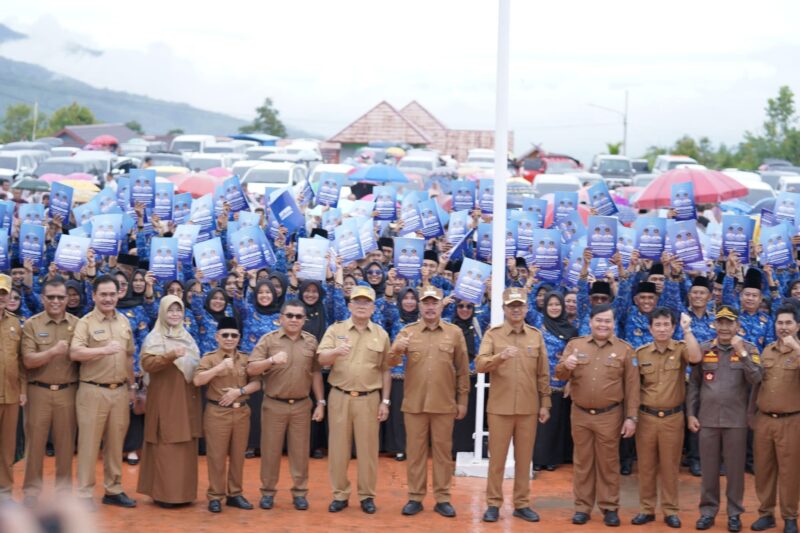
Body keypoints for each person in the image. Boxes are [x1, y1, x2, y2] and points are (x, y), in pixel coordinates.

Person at [555, 303, 639, 527]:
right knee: (582, 462)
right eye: (599, 320)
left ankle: (609, 507)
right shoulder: (575, 345)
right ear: (590, 322)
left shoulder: (624, 349)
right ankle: (582, 507)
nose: (603, 325)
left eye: (607, 321)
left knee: (608, 463)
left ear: (613, 324)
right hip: (580, 414)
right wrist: (567, 364)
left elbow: (632, 387)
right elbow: (560, 374)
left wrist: (631, 417)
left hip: (609, 415)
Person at [390, 286, 469, 518]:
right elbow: (389, 363)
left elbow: (463, 370)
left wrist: (462, 400)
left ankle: (443, 498)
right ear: (420, 306)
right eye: (426, 302)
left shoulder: (454, 333)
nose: (430, 306)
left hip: (444, 404)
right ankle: (415, 497)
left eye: (434, 302)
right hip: (414, 404)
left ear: (441, 305)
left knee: (444, 453)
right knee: (415, 453)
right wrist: (396, 350)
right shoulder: (407, 332)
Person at [476, 288, 551, 523]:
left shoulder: (535, 336)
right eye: (511, 306)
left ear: (527, 308)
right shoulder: (493, 335)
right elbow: (479, 364)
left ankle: (521, 503)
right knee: (496, 460)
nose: (516, 309)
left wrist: (545, 403)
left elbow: (543, 373)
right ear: (504, 309)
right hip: (500, 408)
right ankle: (493, 504)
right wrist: (500, 358)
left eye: (520, 305)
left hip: (528, 407)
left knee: (524, 458)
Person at [687, 305, 762, 532]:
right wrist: (691, 413)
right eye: (721, 322)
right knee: (709, 470)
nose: (725, 327)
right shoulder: (704, 349)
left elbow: (757, 378)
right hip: (707, 419)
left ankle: (734, 513)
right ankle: (708, 512)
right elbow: (694, 385)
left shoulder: (748, 348)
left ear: (737, 326)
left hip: (736, 421)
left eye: (730, 323)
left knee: (735, 471)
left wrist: (743, 352)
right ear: (714, 325)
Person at [317, 285, 391, 515]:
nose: (361, 306)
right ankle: (340, 494)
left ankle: (367, 496)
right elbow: (321, 359)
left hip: (369, 399)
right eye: (357, 302)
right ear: (349, 305)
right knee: (338, 449)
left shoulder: (381, 334)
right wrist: (336, 351)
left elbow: (385, 370)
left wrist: (385, 401)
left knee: (368, 451)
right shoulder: (335, 329)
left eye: (366, 302)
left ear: (373, 307)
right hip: (340, 396)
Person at [247, 299, 324, 511]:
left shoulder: (311, 342)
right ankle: (268, 492)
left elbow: (316, 372)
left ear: (304, 320)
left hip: (301, 405)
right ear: (281, 318)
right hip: (274, 404)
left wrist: (320, 402)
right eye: (289, 315)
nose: (294, 319)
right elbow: (251, 369)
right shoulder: (269, 340)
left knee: (300, 452)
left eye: (299, 316)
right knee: (270, 451)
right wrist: (270, 361)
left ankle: (300, 492)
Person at [69, 274, 137, 510]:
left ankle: (114, 489)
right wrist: (103, 350)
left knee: (116, 443)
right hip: (92, 391)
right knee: (88, 444)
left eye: (112, 294)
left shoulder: (124, 322)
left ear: (118, 294)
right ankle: (84, 494)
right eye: (103, 294)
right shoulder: (85, 322)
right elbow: (75, 353)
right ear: (95, 296)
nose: (108, 298)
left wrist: (132, 387)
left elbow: (129, 356)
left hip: (119, 391)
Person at [630, 308, 702, 528]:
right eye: (657, 325)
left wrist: (687, 330)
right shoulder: (640, 353)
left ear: (673, 327)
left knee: (670, 466)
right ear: (650, 328)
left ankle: (670, 510)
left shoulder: (680, 349)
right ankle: (646, 509)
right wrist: (632, 417)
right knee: (646, 466)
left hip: (672, 417)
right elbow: (634, 389)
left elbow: (696, 357)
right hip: (647, 418)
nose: (662, 329)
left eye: (666, 325)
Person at [136, 295, 202, 508]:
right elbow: (147, 364)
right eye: (170, 310)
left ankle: (184, 493)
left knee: (185, 444)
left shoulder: (188, 338)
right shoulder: (154, 338)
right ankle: (164, 494)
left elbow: (196, 368)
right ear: (162, 313)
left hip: (186, 399)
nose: (174, 314)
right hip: (164, 398)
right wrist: (170, 356)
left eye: (178, 310)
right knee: (166, 442)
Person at [193, 317, 260, 513]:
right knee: (216, 456)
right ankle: (215, 496)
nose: (229, 339)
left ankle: (235, 494)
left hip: (241, 411)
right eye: (225, 335)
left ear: (239, 337)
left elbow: (257, 383)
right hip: (217, 413)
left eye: (234, 335)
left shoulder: (246, 359)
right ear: (217, 337)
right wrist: (219, 368)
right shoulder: (209, 358)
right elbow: (197, 380)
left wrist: (239, 392)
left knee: (239, 455)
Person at [20, 279, 78, 507]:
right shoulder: (32, 325)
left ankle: (63, 494)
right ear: (42, 298)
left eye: (60, 297)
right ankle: (31, 492)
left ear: (66, 300)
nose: (55, 301)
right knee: (35, 445)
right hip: (39, 392)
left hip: (68, 391)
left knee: (66, 446)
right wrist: (54, 351)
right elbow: (28, 360)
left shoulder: (77, 324)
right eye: (51, 297)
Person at [749, 306, 800, 533]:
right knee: (764, 469)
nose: (783, 327)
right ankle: (766, 513)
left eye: (788, 323)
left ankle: (790, 517)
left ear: (797, 326)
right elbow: (757, 386)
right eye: (780, 323)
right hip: (764, 421)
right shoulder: (767, 351)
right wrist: (752, 416)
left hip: (791, 421)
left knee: (790, 471)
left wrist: (796, 348)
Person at [0, 273, 23, 502]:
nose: (0, 297)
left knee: (7, 449)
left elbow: (21, 360)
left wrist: (23, 390)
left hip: (11, 395)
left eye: (3, 294)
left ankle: (4, 492)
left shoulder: (16, 324)